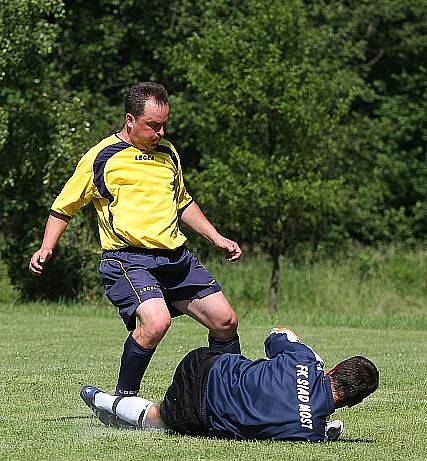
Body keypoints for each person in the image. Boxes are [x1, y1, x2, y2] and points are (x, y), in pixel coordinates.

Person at [29, 81, 242, 397]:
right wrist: (47, 247)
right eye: (153, 126)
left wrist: (216, 237)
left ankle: (230, 395)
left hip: (175, 259)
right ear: (130, 120)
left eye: (164, 126)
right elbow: (64, 207)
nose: (160, 133)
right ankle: (123, 399)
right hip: (127, 260)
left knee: (226, 321)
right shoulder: (101, 157)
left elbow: (182, 201)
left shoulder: (168, 153)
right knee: (156, 323)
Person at [80, 327, 379, 442]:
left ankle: (105, 402)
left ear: (335, 368)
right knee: (159, 418)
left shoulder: (305, 360)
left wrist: (310, 353)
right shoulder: (310, 432)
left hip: (204, 362)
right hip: (199, 410)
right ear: (354, 402)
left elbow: (277, 335)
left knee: (244, 363)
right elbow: (296, 422)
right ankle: (102, 400)